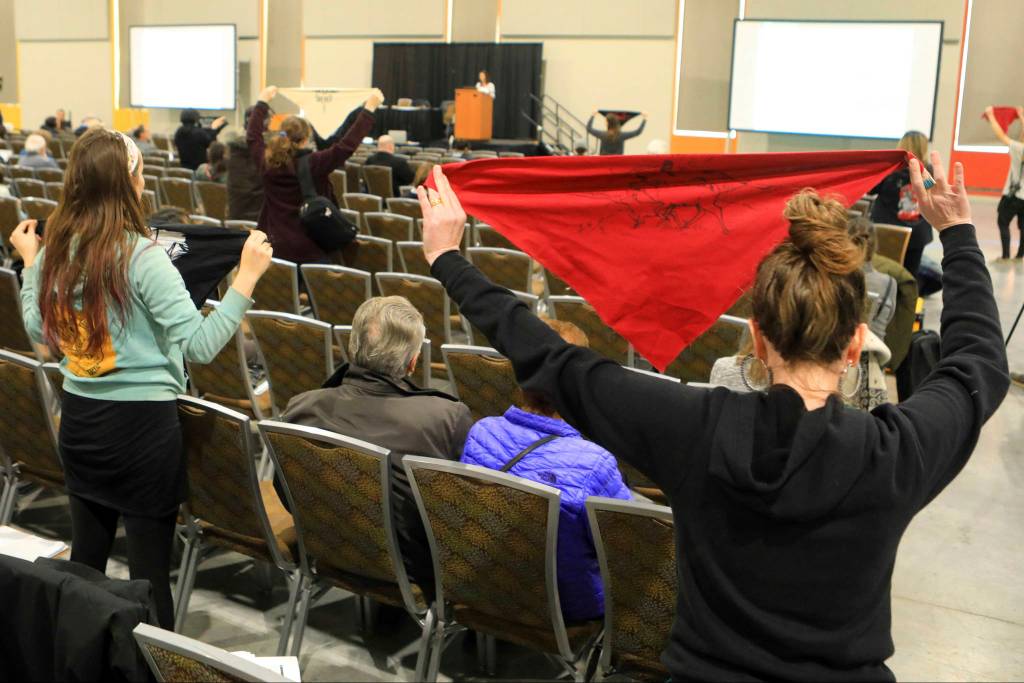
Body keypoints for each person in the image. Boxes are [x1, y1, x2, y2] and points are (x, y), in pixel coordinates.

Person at [415, 155, 1009, 681]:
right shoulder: (896, 455)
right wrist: (957, 235)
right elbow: (978, 361)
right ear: (855, 345)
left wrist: (446, 256)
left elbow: (550, 358)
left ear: (756, 335)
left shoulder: (692, 428)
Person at [10, 127, 274, 630]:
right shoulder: (143, 257)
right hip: (142, 435)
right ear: (132, 183)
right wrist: (245, 279)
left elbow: (37, 331)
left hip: (80, 423)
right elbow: (198, 345)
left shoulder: (56, 252)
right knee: (150, 576)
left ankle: (79, 657)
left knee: (85, 564)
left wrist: (29, 264)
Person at [280, 296, 473, 584]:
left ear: (352, 346)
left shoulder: (300, 407)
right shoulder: (445, 418)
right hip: (412, 568)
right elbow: (460, 508)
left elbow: (286, 490)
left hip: (327, 547)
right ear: (413, 362)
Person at [460, 318, 631, 622]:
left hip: (489, 584)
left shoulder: (480, 433)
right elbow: (627, 550)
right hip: (567, 606)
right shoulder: (594, 463)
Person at [248, 85, 382, 264]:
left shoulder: (266, 162)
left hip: (273, 246)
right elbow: (345, 147)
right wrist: (369, 109)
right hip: (310, 248)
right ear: (304, 140)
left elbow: (252, 137)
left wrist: (262, 102)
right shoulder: (314, 163)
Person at [869, 131, 933, 275]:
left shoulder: (889, 169)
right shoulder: (928, 172)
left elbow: (871, 190)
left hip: (886, 231)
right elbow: (933, 195)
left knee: (882, 272)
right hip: (916, 234)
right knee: (910, 275)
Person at [984, 105, 1024, 260]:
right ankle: (1020, 255)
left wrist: (991, 115)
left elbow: (1001, 135)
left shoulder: (1019, 149)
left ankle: (1006, 255)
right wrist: (1021, 118)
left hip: (1013, 196)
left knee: (1002, 222)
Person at [847, 216, 897, 338]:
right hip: (876, 353)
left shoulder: (834, 278)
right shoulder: (889, 283)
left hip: (839, 351)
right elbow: (888, 318)